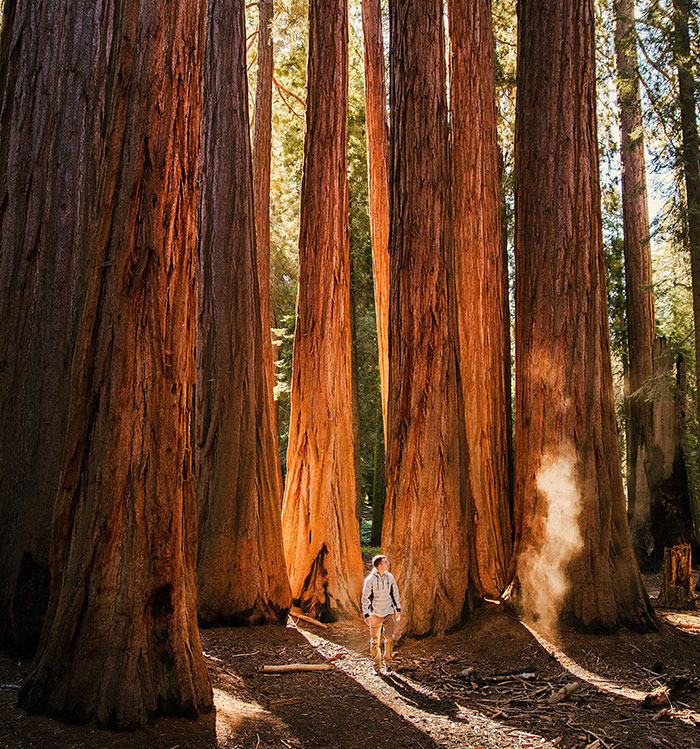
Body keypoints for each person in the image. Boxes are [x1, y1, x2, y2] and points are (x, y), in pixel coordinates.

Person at [361, 554, 401, 673]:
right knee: (375, 641)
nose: (388, 563)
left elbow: (395, 593)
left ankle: (388, 661)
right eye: (385, 562)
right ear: (379, 566)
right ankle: (377, 666)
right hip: (375, 614)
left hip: (388, 612)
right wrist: (366, 614)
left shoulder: (390, 577)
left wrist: (398, 609)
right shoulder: (370, 580)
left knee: (389, 638)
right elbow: (365, 598)